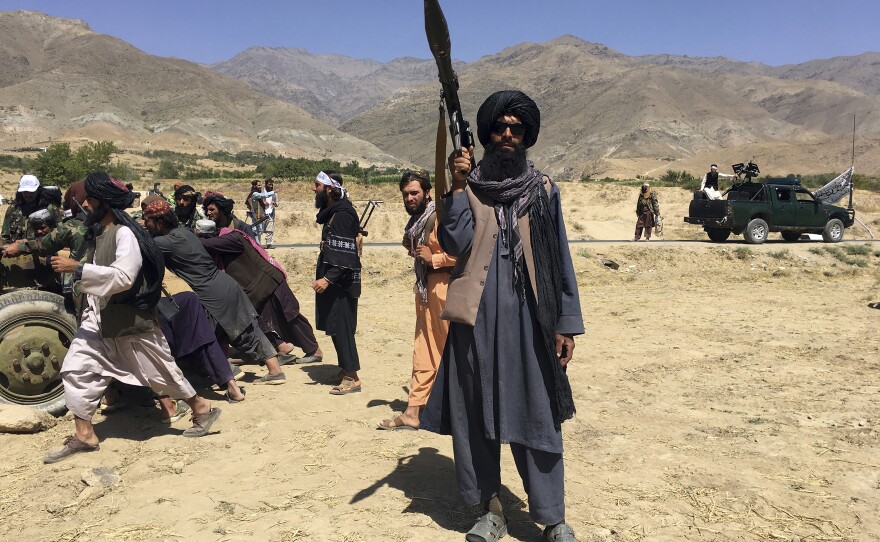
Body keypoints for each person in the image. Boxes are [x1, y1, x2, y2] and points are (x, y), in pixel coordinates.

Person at [421, 90, 583, 542]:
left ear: (527, 135)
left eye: (516, 128)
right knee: (477, 418)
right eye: (500, 128)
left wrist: (566, 322)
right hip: (476, 324)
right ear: (488, 134)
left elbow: (560, 260)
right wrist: (456, 188)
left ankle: (552, 518)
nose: (508, 134)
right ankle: (491, 511)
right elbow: (453, 245)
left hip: (533, 322)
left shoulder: (543, 189)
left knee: (540, 417)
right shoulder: (470, 189)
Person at [43, 172, 221, 464]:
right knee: (77, 368)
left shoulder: (125, 234)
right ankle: (84, 434)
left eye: (89, 199)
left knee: (159, 371)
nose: (85, 204)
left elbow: (124, 276)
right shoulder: (98, 233)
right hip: (97, 319)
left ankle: (201, 408)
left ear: (105, 203)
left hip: (128, 320)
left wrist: (77, 269)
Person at [142, 199, 287, 385]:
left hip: (210, 294)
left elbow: (142, 248)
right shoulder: (185, 232)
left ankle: (226, 372)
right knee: (247, 330)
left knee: (204, 335)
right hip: (226, 285)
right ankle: (275, 370)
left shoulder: (164, 242)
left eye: (148, 221)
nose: (145, 225)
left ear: (160, 223)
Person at [378, 171, 455, 431]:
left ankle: (460, 411)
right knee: (423, 350)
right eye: (406, 194)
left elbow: (469, 251)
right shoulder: (419, 221)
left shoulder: (441, 216)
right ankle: (413, 411)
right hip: (425, 289)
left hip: (446, 287)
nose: (410, 198)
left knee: (452, 351)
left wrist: (435, 258)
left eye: (414, 193)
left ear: (427, 192)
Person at [197, 218, 323, 365]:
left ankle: (314, 350)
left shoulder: (232, 238)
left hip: (269, 282)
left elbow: (204, 244)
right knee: (258, 322)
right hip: (255, 289)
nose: (210, 213)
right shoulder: (222, 239)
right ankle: (281, 347)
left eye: (213, 210)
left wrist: (183, 237)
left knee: (290, 316)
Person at [313, 171, 362, 395]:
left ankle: (352, 377)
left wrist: (327, 278)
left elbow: (346, 255)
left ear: (330, 189)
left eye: (317, 185)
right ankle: (345, 369)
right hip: (334, 278)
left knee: (342, 328)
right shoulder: (333, 212)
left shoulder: (342, 214)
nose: (314, 189)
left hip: (340, 282)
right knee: (335, 327)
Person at [1, 174, 62, 242]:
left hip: (42, 251)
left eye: (31, 191)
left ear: (38, 190)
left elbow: (61, 235)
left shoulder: (51, 209)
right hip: (16, 251)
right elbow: (4, 237)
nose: (28, 195)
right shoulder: (13, 209)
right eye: (25, 192)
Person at [253, 178, 278, 248]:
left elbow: (277, 204)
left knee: (270, 229)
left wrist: (275, 203)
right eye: (269, 184)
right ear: (266, 184)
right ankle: (258, 244)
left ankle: (269, 244)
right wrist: (263, 203)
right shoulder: (261, 192)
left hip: (271, 213)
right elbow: (262, 197)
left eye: (272, 184)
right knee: (260, 229)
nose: (271, 186)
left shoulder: (274, 194)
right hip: (261, 213)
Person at [245, 180, 266, 244]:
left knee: (259, 230)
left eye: (260, 185)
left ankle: (258, 244)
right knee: (256, 230)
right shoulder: (254, 193)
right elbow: (265, 195)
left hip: (259, 213)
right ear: (255, 186)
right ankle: (257, 244)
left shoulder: (256, 193)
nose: (260, 186)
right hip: (256, 214)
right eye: (258, 185)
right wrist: (273, 192)